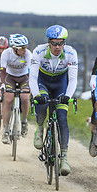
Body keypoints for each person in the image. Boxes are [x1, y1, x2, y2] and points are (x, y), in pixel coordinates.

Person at [29, 25, 78, 176]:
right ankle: (40, 127)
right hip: (43, 83)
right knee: (42, 105)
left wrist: (68, 96)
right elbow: (33, 77)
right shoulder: (38, 51)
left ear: (64, 43)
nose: (57, 47)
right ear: (48, 42)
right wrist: (36, 95)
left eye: (61, 43)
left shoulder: (71, 53)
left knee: (62, 118)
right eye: (54, 43)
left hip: (60, 85)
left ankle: (64, 158)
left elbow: (73, 79)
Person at [0, 34, 32, 144]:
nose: (25, 50)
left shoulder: (28, 54)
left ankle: (24, 121)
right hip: (10, 77)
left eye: (26, 47)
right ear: (14, 48)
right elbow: (3, 70)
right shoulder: (6, 53)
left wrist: (31, 87)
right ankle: (5, 131)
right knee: (8, 100)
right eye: (22, 48)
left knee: (24, 97)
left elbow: (30, 71)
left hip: (24, 78)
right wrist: (2, 84)